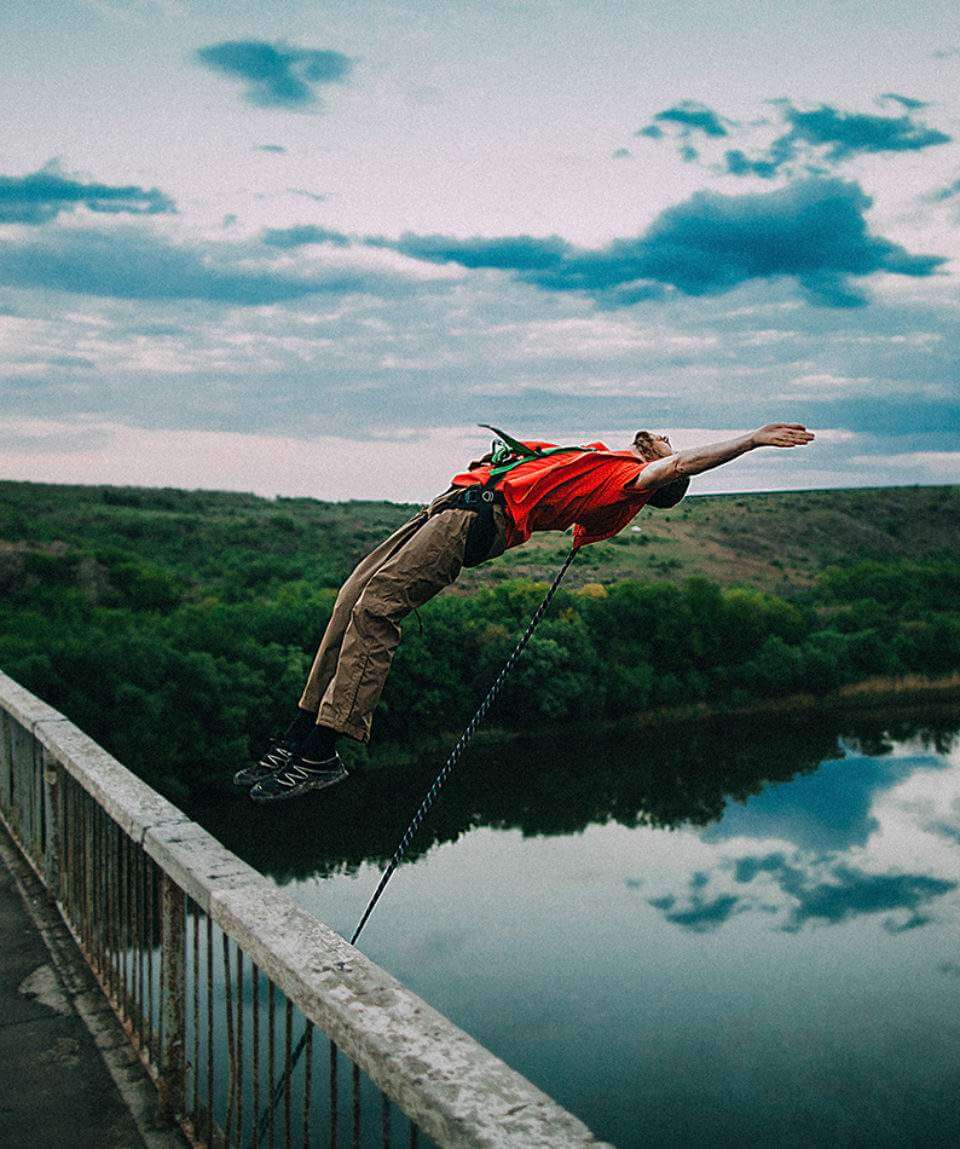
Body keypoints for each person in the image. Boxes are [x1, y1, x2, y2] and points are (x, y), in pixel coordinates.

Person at [237, 421, 814, 801]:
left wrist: (751, 441)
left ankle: (325, 749)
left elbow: (681, 468)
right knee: (349, 601)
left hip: (472, 522)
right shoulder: (599, 458)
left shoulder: (629, 483)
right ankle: (297, 735)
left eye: (667, 444)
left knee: (377, 611)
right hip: (448, 508)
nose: (662, 439)